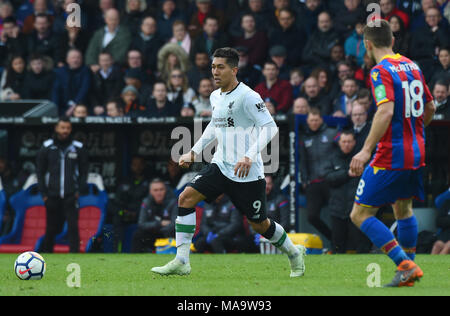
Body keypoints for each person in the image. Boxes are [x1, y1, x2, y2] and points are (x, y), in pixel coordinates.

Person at [151, 47, 306, 277]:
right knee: (186, 197)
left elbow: (270, 127)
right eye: (213, 67)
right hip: (221, 165)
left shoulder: (249, 96)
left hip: (247, 173)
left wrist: (249, 156)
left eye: (220, 67)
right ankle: (182, 260)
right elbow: (215, 125)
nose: (215, 71)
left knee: (259, 224)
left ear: (234, 70)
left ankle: (294, 254)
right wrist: (194, 151)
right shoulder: (215, 96)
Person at [349, 19, 436, 287]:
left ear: (367, 44)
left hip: (391, 154)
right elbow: (430, 107)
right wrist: (414, 130)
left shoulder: (380, 71)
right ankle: (408, 270)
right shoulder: (413, 66)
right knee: (403, 208)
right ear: (393, 41)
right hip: (416, 151)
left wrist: (365, 150)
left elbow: (385, 110)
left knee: (359, 214)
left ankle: (404, 263)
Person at [36, 117, 89, 253]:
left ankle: (75, 254)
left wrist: (79, 192)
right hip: (51, 195)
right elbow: (40, 172)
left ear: (71, 129)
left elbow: (84, 172)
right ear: (56, 128)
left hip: (71, 194)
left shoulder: (78, 147)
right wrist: (44, 194)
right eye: (62, 127)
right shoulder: (47, 147)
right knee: (51, 227)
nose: (65, 131)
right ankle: (47, 254)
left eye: (68, 128)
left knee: (72, 226)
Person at [324, 130, 371, 254]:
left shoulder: (361, 158)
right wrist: (347, 174)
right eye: (344, 142)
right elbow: (327, 177)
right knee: (338, 246)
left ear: (354, 142)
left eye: (349, 142)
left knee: (361, 245)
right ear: (339, 143)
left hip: (357, 208)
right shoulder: (332, 158)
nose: (347, 144)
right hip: (337, 208)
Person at [299, 107, 338, 243]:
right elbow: (302, 161)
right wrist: (304, 180)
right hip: (313, 183)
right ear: (308, 122)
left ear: (321, 120)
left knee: (337, 214)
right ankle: (333, 239)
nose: (314, 122)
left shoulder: (332, 133)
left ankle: (340, 244)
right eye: (311, 120)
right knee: (311, 216)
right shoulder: (305, 139)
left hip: (330, 180)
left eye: (316, 120)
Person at [110, 156, 149, 252]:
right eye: (135, 165)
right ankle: (116, 251)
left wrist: (137, 212)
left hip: (140, 214)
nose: (138, 167)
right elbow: (116, 201)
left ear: (144, 166)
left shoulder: (149, 182)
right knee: (117, 218)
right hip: (125, 213)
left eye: (140, 164)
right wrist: (123, 212)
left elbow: (149, 202)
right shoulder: (124, 181)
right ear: (131, 166)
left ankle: (140, 251)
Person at [131, 178, 177, 253]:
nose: (159, 193)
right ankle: (134, 260)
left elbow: (174, 224)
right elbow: (141, 224)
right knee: (138, 235)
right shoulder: (146, 202)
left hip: (167, 234)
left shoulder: (173, 202)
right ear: (150, 192)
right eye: (155, 190)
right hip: (153, 232)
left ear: (165, 190)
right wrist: (159, 224)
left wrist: (158, 229)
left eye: (161, 189)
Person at [51, 49, 91, 116]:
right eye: (73, 58)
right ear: (67, 59)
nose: (75, 60)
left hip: (80, 106)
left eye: (78, 58)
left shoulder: (86, 71)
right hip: (62, 107)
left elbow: (84, 90)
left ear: (82, 59)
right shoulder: (59, 72)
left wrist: (73, 107)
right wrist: (55, 109)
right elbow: (56, 91)